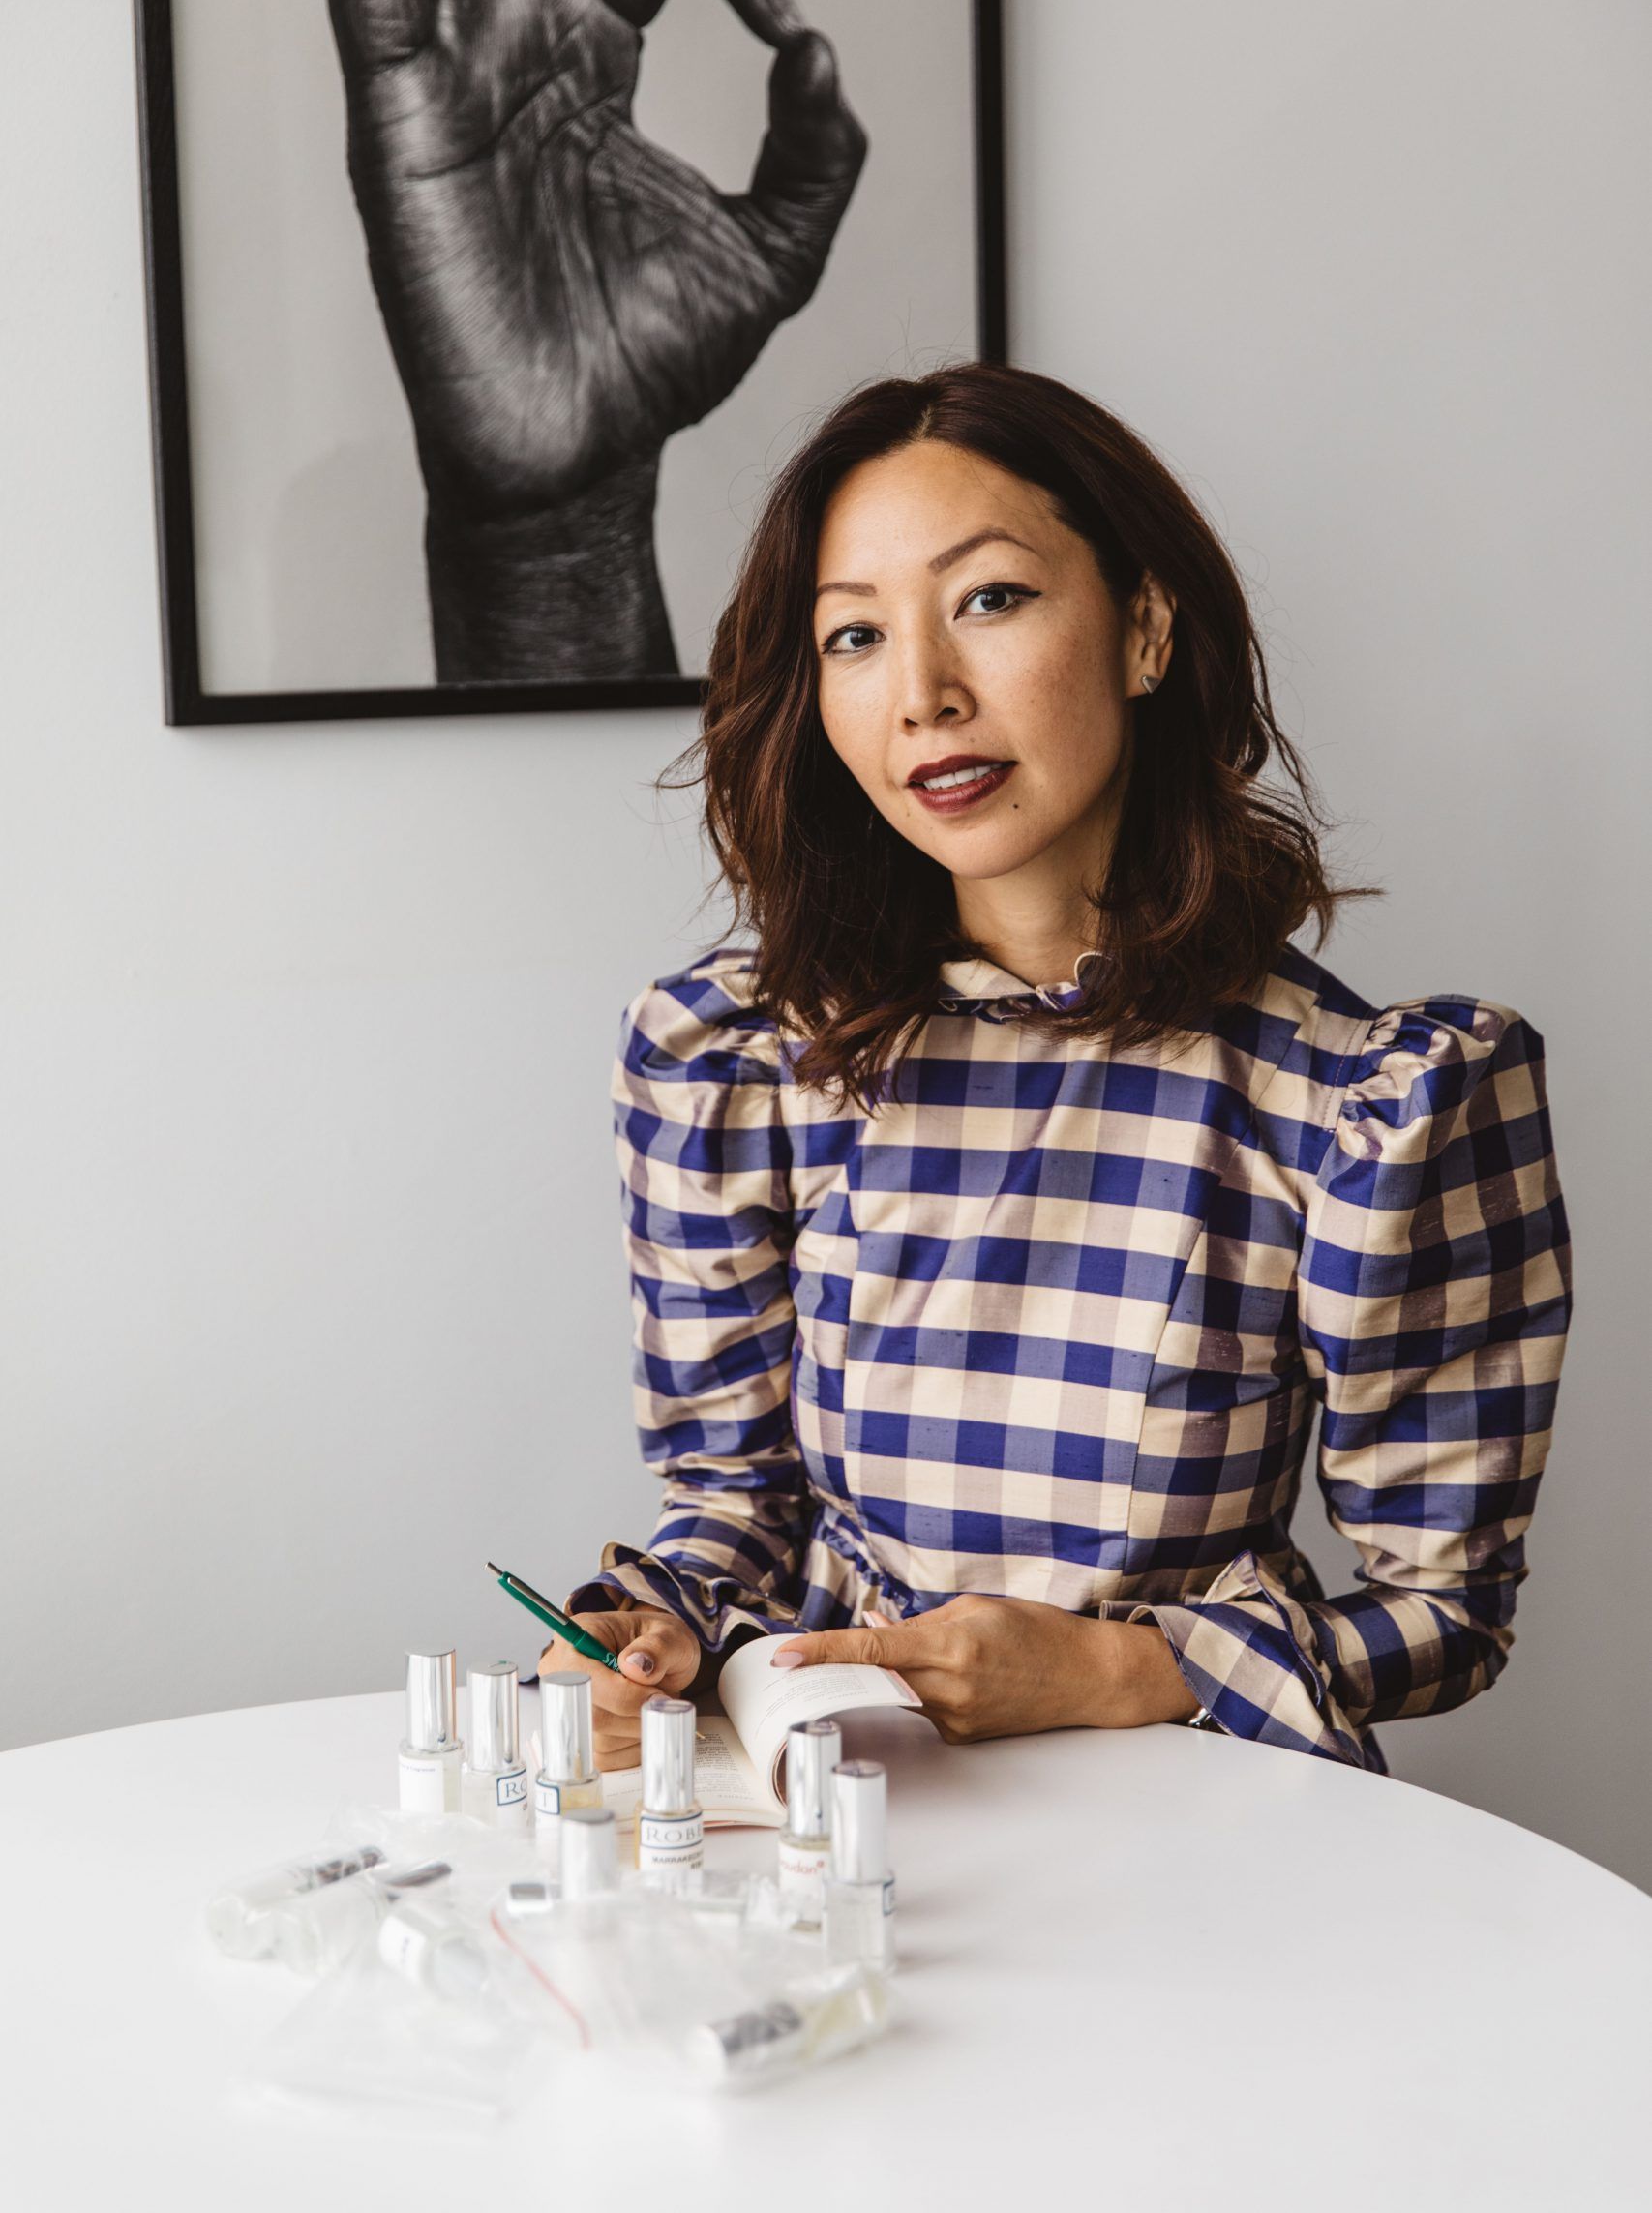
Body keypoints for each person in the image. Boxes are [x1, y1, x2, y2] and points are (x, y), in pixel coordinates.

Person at [540, 361, 1571, 1772]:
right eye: (853, 637)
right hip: (847, 1813)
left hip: (1207, 1835)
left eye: (991, 600)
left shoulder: (1367, 1104)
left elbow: (1446, 1614)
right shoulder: (733, 1066)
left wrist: (1118, 1671)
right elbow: (733, 1505)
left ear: (1145, 629)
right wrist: (641, 1629)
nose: (925, 694)